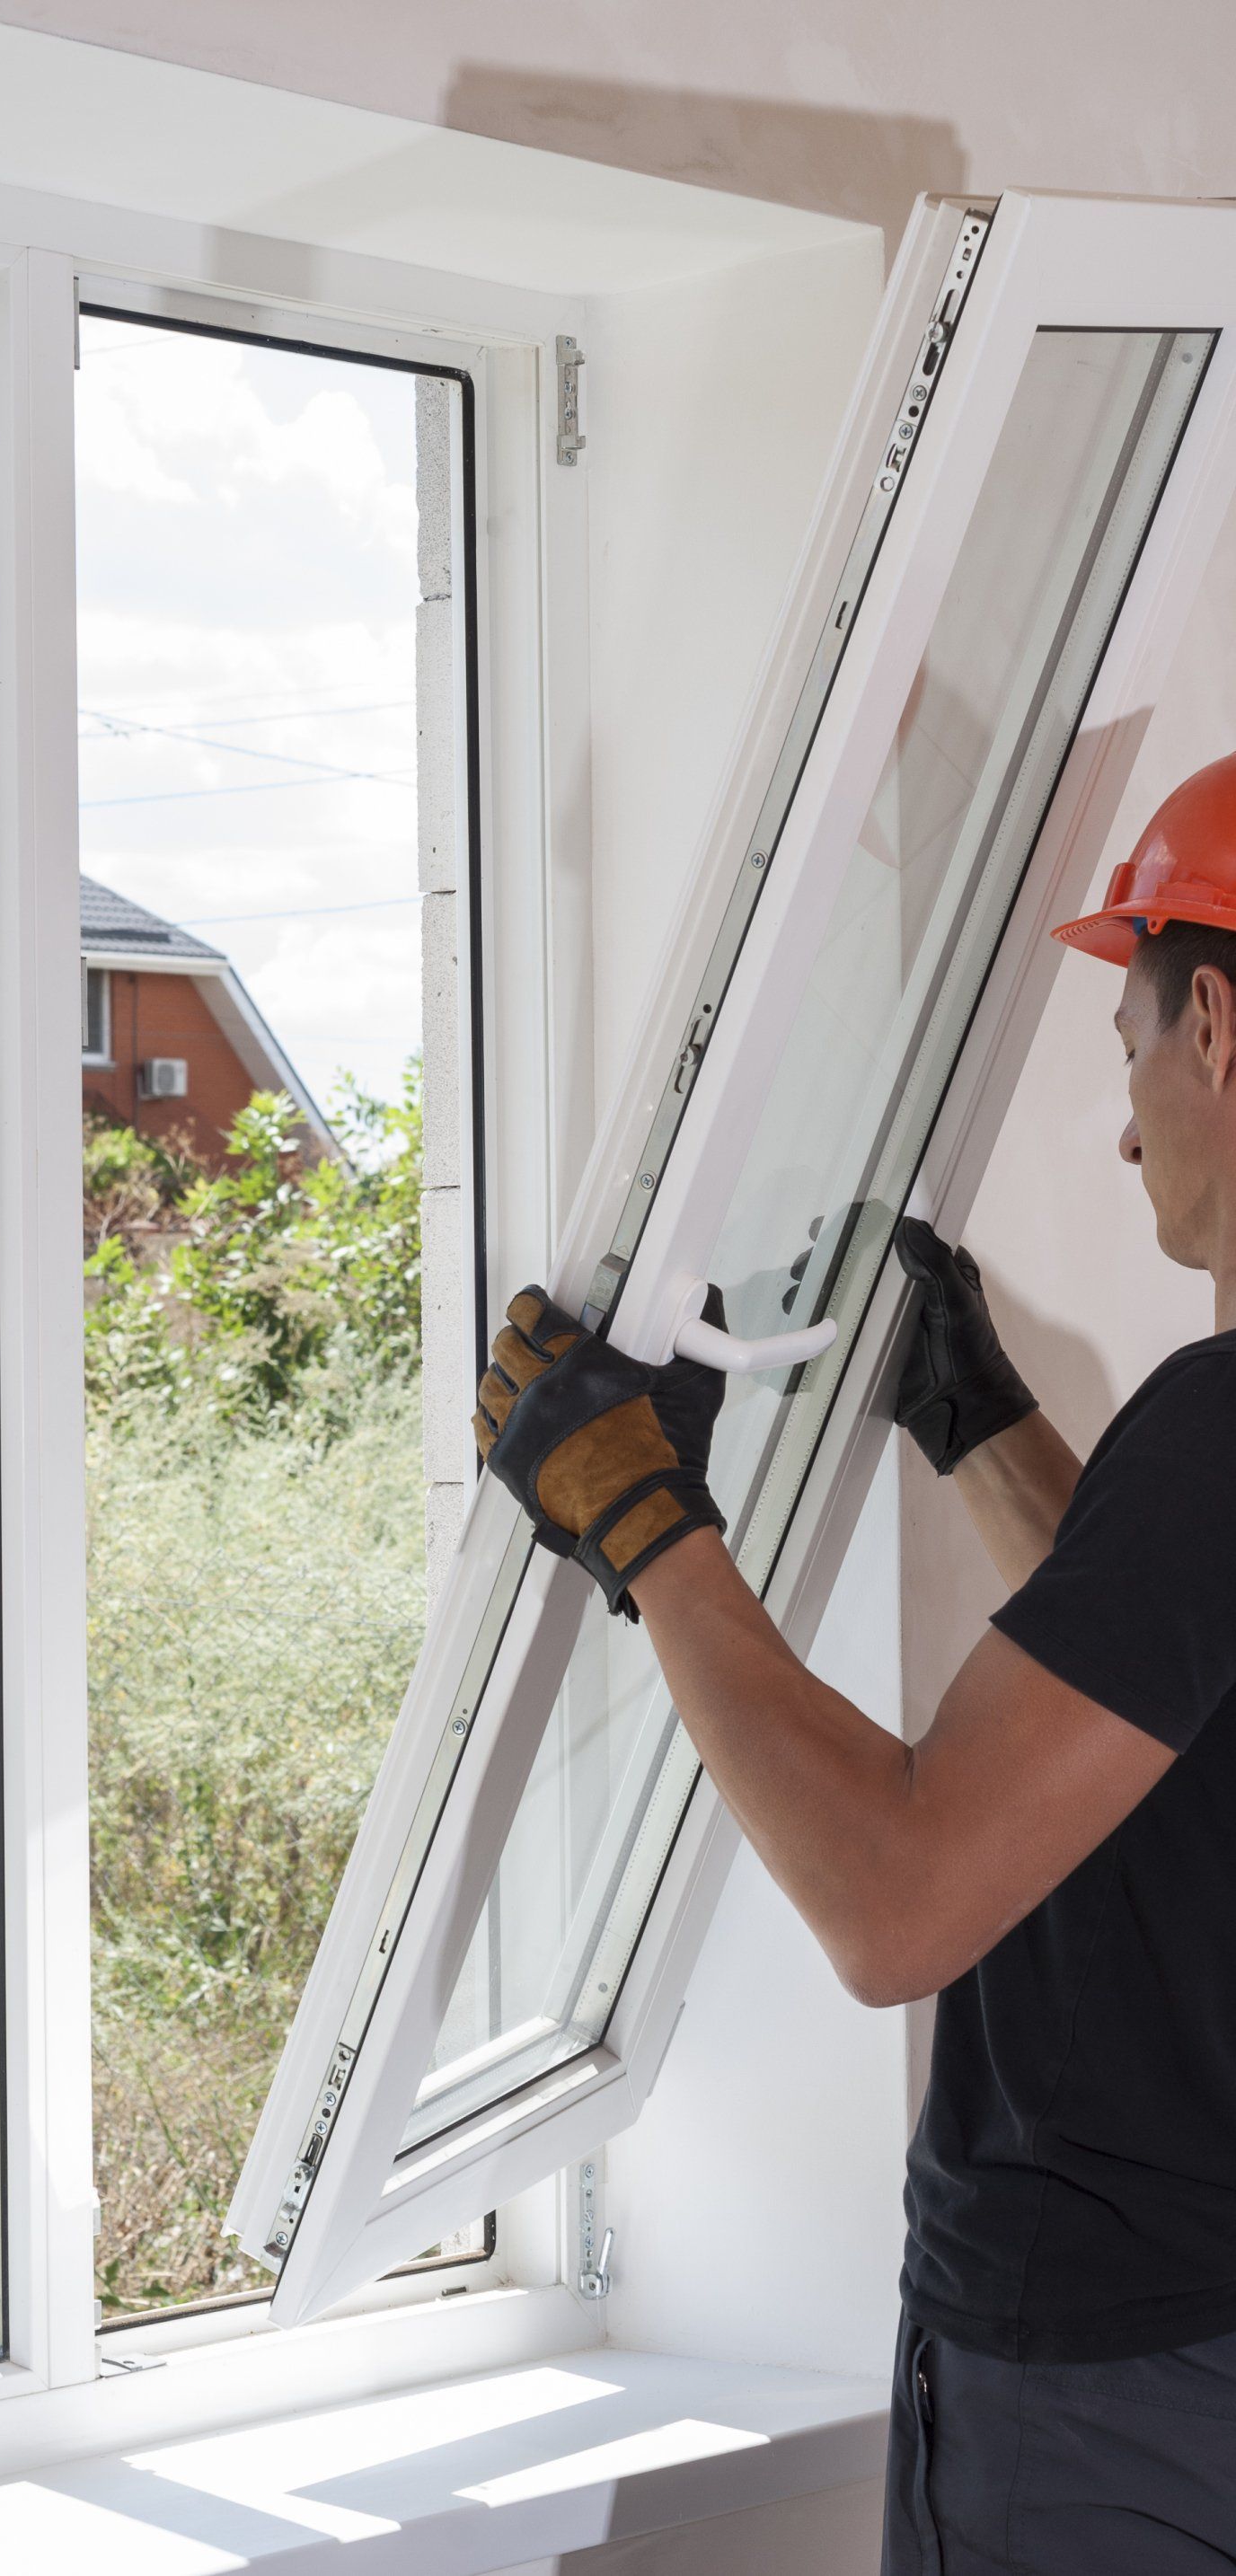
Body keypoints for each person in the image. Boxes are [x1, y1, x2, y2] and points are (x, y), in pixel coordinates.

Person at [473, 750, 1236, 2574]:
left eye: (1126, 1051)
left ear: (1215, 1021)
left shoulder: (1219, 1436)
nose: (1127, 1129)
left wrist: (643, 1516)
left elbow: (898, 1901)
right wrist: (982, 1425)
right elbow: (1159, 1705)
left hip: (1112, 2386)